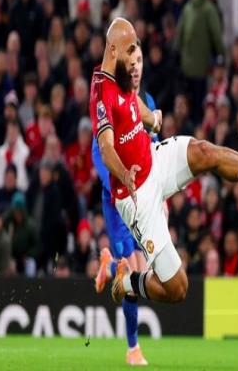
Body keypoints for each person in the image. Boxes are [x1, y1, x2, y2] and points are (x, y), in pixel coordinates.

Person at [90, 18, 238, 307]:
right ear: (113, 49)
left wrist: (151, 119)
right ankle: (127, 282)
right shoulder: (100, 93)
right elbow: (105, 147)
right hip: (136, 196)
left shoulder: (121, 72)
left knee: (204, 151)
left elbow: (131, 100)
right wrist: (123, 173)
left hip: (154, 160)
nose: (134, 58)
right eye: (130, 50)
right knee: (178, 288)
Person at [91, 40, 154, 366]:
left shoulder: (146, 104)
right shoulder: (109, 99)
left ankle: (109, 264)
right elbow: (100, 153)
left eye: (140, 60)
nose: (135, 66)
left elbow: (152, 148)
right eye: (132, 60)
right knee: (132, 274)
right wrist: (117, 183)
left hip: (142, 200)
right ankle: (133, 349)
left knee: (144, 276)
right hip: (119, 202)